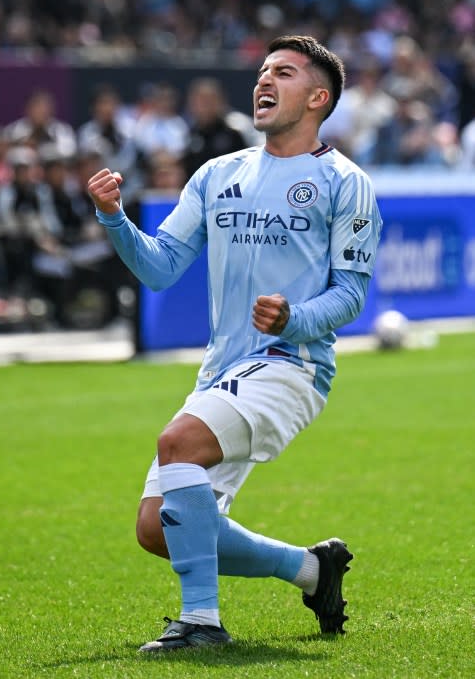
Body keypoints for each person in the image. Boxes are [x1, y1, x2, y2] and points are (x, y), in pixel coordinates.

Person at [87, 34, 382, 653]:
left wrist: (294, 318)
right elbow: (163, 267)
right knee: (157, 529)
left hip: (292, 365)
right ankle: (310, 569)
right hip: (223, 370)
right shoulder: (219, 173)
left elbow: (351, 295)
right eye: (262, 71)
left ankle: (200, 621)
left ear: (319, 97)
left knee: (177, 444)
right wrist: (115, 220)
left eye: (284, 72)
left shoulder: (345, 183)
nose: (264, 81)